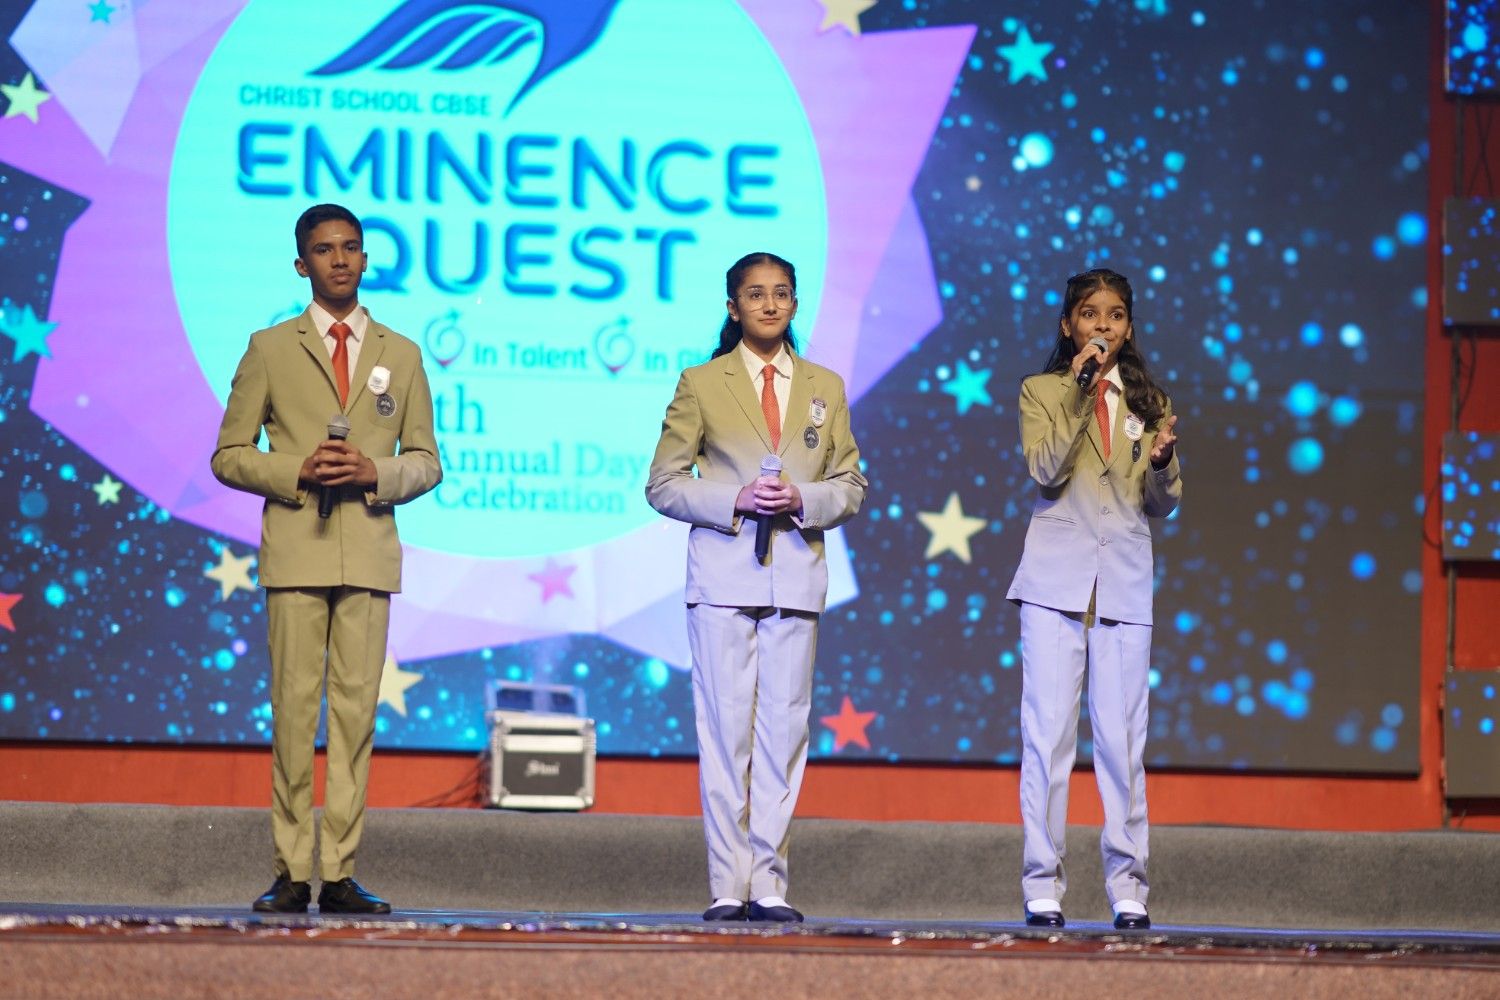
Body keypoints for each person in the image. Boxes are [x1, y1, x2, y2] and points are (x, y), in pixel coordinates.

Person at [211, 203, 441, 915]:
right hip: (296, 551)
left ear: (366, 259)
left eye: (350, 248)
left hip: (368, 552)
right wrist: (296, 470)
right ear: (301, 264)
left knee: (354, 716)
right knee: (293, 712)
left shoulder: (403, 354)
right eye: (323, 249)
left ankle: (338, 871)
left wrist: (376, 473)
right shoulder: (270, 348)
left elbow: (427, 461)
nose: (339, 260)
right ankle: (290, 871)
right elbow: (228, 454)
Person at [646, 252, 867, 923]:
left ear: (794, 304)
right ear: (733, 306)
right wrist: (734, 498)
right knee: (724, 732)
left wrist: (803, 498)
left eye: (781, 294)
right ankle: (728, 882)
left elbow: (851, 484)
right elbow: (663, 483)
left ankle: (769, 881)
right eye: (755, 294)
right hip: (722, 577)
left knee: (784, 729)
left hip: (795, 575)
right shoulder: (702, 382)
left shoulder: (825, 385)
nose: (769, 305)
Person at [1006, 268, 1181, 931]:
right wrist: (1081, 392)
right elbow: (1045, 468)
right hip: (1056, 584)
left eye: (1114, 315)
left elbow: (1163, 502)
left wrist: (1162, 463)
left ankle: (1128, 885)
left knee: (1121, 742)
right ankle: (1042, 884)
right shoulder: (1043, 390)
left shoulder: (1150, 401)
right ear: (1068, 325)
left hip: (1125, 584)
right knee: (1048, 738)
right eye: (1089, 314)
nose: (1102, 325)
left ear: (1128, 328)